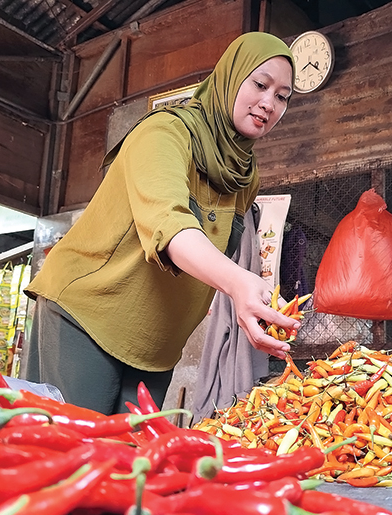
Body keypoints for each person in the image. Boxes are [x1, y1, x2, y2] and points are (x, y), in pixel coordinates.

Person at [23, 32, 298, 415]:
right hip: (87, 316)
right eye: (260, 84)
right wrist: (237, 282)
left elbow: (214, 248)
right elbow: (168, 223)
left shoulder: (245, 175)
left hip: (156, 343)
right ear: (230, 78)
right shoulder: (164, 133)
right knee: (72, 456)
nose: (269, 103)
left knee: (131, 467)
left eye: (283, 96)